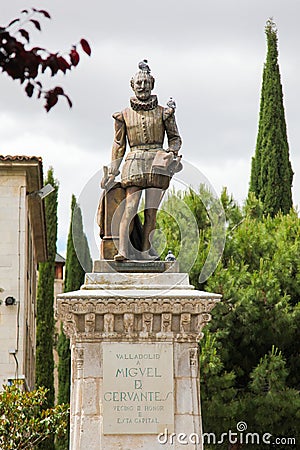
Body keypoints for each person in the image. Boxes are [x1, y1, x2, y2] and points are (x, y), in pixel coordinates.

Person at [101, 62, 182, 261]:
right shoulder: (123, 116)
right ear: (132, 85)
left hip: (158, 164)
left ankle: (145, 251)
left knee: (151, 212)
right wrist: (113, 171)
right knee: (129, 208)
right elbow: (118, 144)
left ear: (152, 84)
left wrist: (171, 153)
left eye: (146, 82)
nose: (142, 86)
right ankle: (123, 251)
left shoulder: (165, 113)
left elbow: (175, 138)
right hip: (134, 162)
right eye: (138, 83)